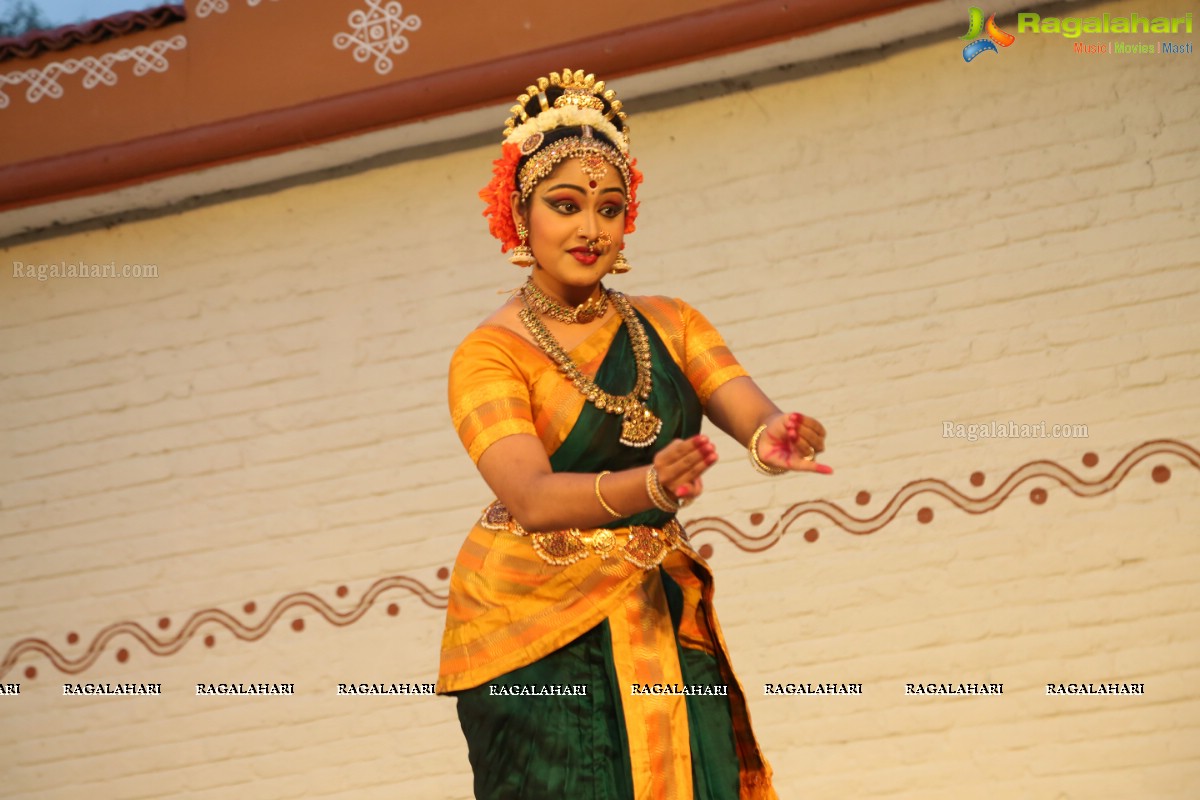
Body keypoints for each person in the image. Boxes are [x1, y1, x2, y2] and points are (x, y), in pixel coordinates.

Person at [436, 68, 831, 800]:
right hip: (532, 625)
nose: (591, 229)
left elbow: (746, 407)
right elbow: (532, 497)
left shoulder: (670, 322)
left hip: (650, 597)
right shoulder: (489, 353)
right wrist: (650, 485)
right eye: (566, 205)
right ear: (519, 215)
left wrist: (777, 437)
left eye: (610, 208)